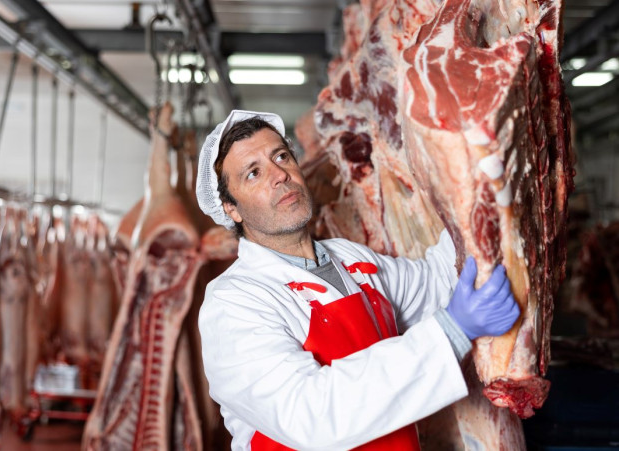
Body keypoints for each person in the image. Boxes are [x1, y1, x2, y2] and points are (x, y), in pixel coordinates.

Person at [195, 110, 520, 451]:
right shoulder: (233, 302)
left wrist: (477, 195)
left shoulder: (351, 259)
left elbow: (435, 283)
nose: (279, 175)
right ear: (231, 209)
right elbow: (311, 415)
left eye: (281, 156)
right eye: (254, 173)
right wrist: (452, 332)